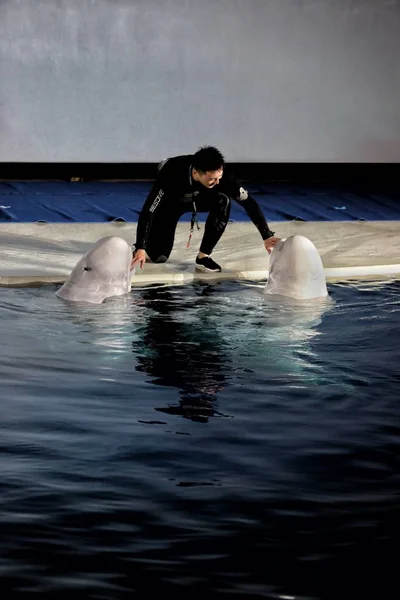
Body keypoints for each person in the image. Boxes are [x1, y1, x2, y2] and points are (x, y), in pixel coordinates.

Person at [131, 146, 280, 272]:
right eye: (212, 179)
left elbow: (249, 203)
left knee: (223, 200)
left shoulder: (223, 177)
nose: (217, 182)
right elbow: (149, 210)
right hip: (171, 203)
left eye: (219, 178)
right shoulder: (172, 172)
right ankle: (138, 250)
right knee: (158, 257)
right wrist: (141, 246)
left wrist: (266, 235)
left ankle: (203, 256)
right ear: (196, 173)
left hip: (200, 199)